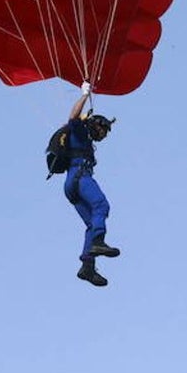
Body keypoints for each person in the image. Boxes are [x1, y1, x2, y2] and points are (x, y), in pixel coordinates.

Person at [64, 82, 120, 287]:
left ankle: (87, 266)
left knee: (91, 222)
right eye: (102, 129)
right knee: (101, 206)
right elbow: (73, 117)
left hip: (72, 184)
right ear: (93, 124)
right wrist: (85, 95)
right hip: (80, 178)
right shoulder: (80, 132)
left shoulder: (87, 142)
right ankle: (98, 242)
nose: (103, 134)